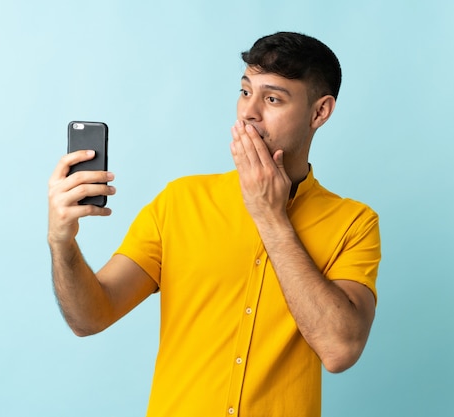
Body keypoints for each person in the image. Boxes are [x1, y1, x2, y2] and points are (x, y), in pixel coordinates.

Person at [48, 31, 381, 416]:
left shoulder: (354, 223)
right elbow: (90, 317)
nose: (248, 112)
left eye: (272, 98)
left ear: (319, 112)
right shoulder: (180, 202)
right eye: (245, 92)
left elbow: (340, 350)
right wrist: (61, 242)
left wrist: (270, 217)